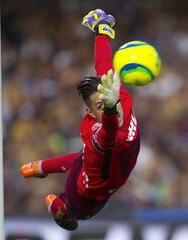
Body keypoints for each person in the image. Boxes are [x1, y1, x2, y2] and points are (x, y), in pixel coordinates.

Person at [20, 9, 140, 231]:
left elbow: (103, 65)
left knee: (78, 167)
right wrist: (112, 107)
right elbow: (109, 131)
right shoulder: (101, 132)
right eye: (101, 106)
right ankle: (61, 210)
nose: (110, 104)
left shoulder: (116, 94)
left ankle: (45, 180)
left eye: (110, 100)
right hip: (85, 200)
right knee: (70, 202)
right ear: (90, 113)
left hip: (100, 178)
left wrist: (102, 31)